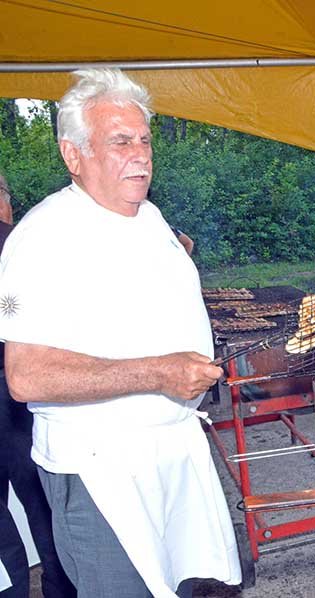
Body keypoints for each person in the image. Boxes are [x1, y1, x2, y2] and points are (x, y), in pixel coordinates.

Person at [0, 69, 241, 597]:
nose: (141, 154)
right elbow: (26, 376)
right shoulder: (41, 239)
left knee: (192, 586)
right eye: (120, 141)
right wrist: (158, 373)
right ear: (74, 155)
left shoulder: (149, 218)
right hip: (101, 470)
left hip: (174, 452)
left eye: (144, 140)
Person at [0, 175, 75, 598]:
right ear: (4, 202)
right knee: (43, 507)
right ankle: (61, 589)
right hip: (15, 400)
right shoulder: (22, 243)